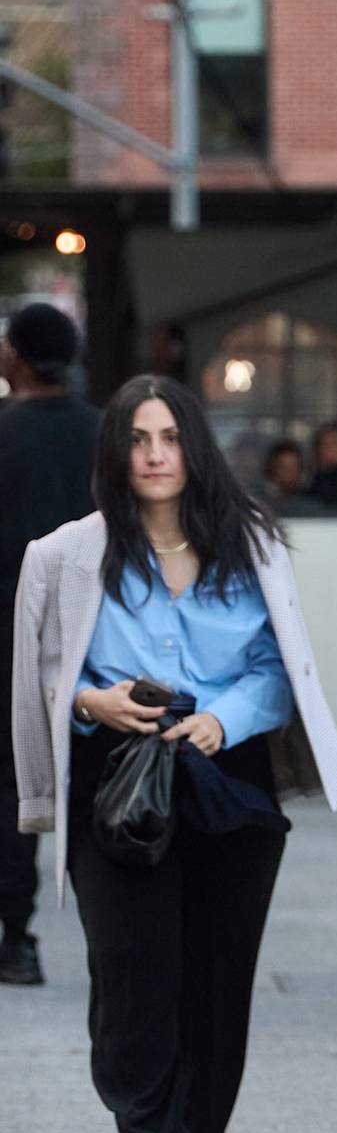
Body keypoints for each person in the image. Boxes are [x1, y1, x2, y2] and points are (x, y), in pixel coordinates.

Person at [12, 376, 337, 1133]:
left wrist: (219, 717)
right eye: (137, 437)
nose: (156, 453)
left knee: (214, 976)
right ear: (116, 452)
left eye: (170, 436)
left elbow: (280, 673)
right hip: (116, 784)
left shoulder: (254, 547)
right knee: (132, 976)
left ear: (194, 448)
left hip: (224, 782)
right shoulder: (63, 554)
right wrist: (94, 701)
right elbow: (40, 677)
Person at [0, 304, 100, 987]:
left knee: (10, 781)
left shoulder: (2, 432)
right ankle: (109, 930)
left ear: (19, 358)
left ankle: (19, 937)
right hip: (95, 627)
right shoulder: (105, 432)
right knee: (96, 775)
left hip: (6, 627)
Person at [264, 439, 306, 504]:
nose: (288, 474)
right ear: (272, 470)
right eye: (283, 468)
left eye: (293, 468)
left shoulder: (311, 505)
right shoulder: (262, 503)